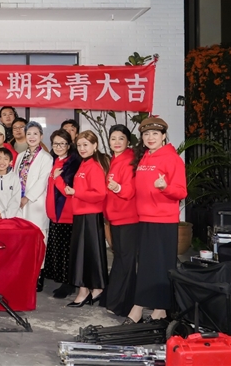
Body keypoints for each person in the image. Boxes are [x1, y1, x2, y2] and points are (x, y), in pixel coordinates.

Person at [123, 117, 186, 325]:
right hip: (144, 218)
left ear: (164, 136)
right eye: (146, 134)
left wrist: (165, 187)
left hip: (163, 220)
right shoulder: (144, 157)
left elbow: (181, 192)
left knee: (161, 266)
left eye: (155, 134)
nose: (150, 137)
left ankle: (159, 309)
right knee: (146, 265)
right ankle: (142, 307)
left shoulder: (172, 159)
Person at [64, 130, 110, 308]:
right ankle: (91, 289)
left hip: (90, 215)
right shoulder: (84, 164)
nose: (82, 148)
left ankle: (89, 290)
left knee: (87, 254)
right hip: (81, 214)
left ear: (94, 145)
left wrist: (76, 192)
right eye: (79, 145)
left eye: (85, 145)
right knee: (84, 255)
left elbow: (99, 194)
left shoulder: (94, 166)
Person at [103, 125, 138, 317]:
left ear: (128, 141)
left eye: (121, 138)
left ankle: (124, 304)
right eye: (113, 138)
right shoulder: (114, 160)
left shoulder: (129, 160)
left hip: (128, 218)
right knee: (120, 259)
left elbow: (129, 191)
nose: (117, 142)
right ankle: (114, 300)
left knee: (125, 261)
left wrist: (117, 188)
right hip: (115, 217)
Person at [42, 129, 81, 296]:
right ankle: (62, 280)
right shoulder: (53, 160)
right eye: (55, 143)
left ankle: (69, 284)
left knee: (67, 253)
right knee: (59, 251)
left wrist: (57, 178)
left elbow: (68, 190)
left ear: (69, 145)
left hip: (66, 214)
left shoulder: (73, 163)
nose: (58, 147)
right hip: (54, 214)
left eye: (62, 143)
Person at [14, 121, 53, 288]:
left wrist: (27, 198)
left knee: (39, 239)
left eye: (35, 134)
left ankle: (39, 274)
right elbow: (14, 178)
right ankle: (24, 272)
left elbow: (42, 181)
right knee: (23, 240)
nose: (31, 137)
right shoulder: (20, 156)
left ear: (41, 136)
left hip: (36, 204)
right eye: (29, 133)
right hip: (19, 204)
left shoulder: (46, 157)